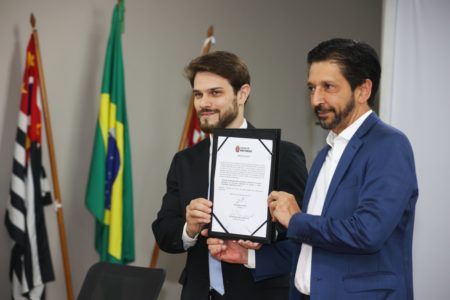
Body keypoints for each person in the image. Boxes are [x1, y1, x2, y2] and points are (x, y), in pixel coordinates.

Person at [208, 39, 418, 300]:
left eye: (328, 87)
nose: (316, 99)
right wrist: (248, 256)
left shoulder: (388, 145)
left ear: (363, 90)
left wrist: (295, 219)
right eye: (311, 88)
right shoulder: (324, 155)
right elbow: (310, 244)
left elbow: (367, 232)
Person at [152, 51, 308, 300]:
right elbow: (164, 232)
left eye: (215, 93)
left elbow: (303, 233)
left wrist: (261, 238)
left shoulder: (283, 156)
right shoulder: (185, 161)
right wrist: (189, 229)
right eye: (198, 94)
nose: (204, 103)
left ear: (242, 94)